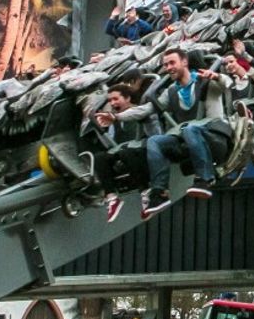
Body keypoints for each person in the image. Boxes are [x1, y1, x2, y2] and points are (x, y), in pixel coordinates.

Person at [141, 47, 232, 217]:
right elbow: (148, 109)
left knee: (190, 129)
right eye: (166, 65)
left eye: (172, 63)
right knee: (155, 141)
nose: (168, 68)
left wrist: (217, 76)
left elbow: (227, 83)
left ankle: (205, 179)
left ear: (184, 62)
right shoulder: (172, 91)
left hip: (214, 136)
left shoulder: (205, 80)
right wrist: (116, 117)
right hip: (190, 138)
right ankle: (160, 192)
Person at [93, 83, 161, 223]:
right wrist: (100, 128)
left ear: (127, 98)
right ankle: (111, 197)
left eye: (116, 99)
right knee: (99, 158)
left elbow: (155, 133)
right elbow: (111, 143)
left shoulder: (140, 111)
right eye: (110, 100)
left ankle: (146, 192)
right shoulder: (114, 119)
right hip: (124, 150)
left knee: (127, 153)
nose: (113, 103)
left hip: (142, 149)